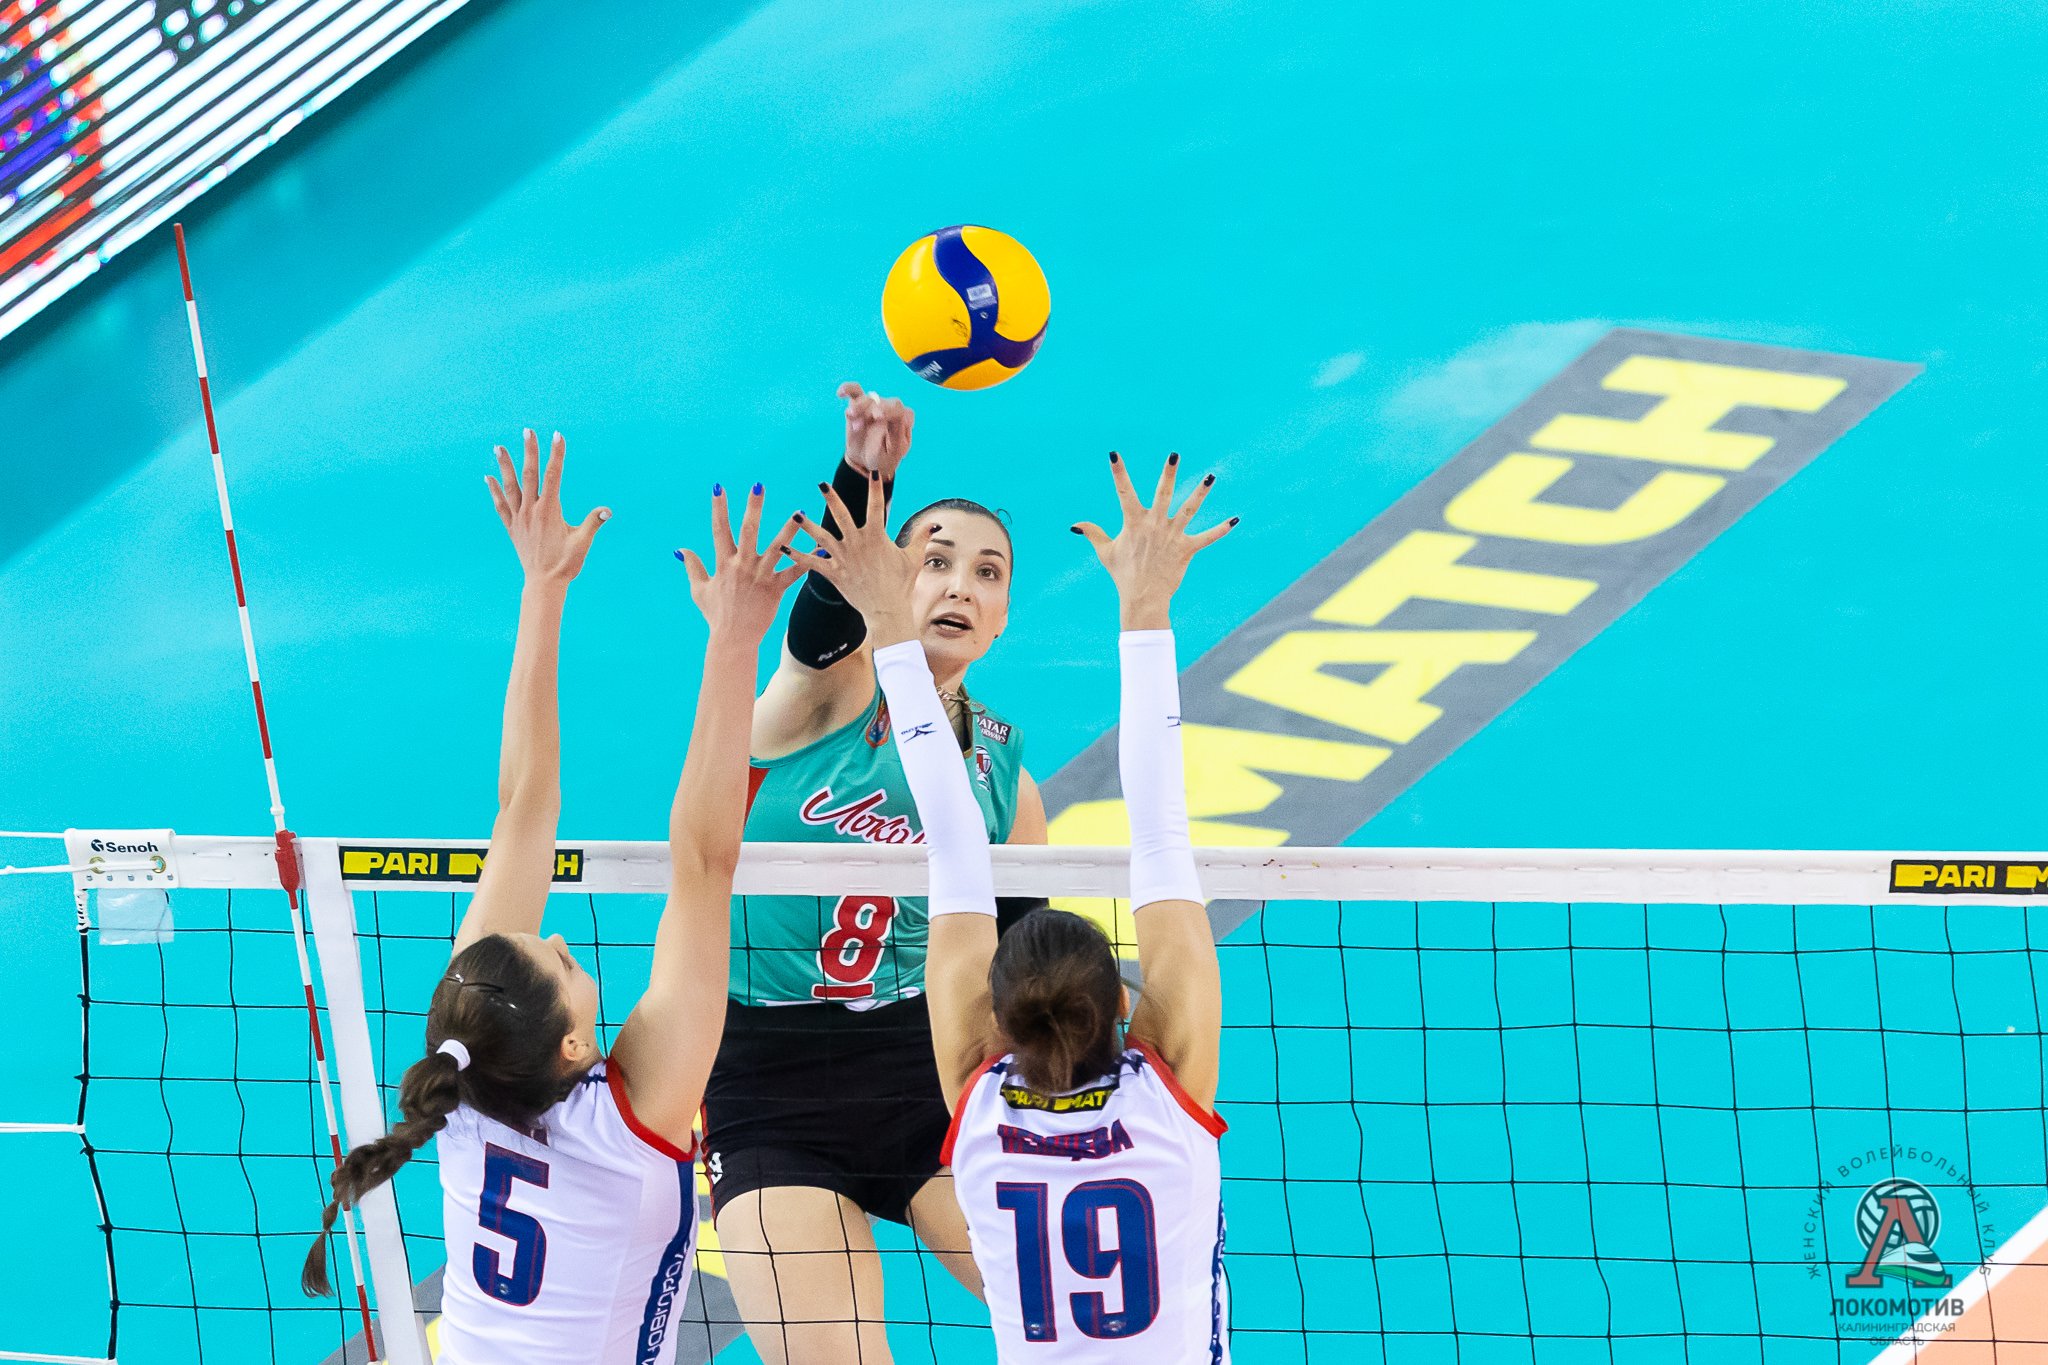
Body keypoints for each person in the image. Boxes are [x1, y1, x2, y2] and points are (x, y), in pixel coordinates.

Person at [301, 432, 803, 1365]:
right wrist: (732, 640)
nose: (562, 937)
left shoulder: (472, 1081)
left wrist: (546, 587)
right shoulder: (555, 1099)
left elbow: (536, 810)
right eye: (565, 959)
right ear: (572, 1046)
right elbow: (693, 856)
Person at [792, 449, 1236, 1361]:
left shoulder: (982, 1114)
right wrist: (1145, 604)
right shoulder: (1154, 1104)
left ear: (997, 1016)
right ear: (1125, 1007)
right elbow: (1152, 831)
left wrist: (888, 622)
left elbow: (955, 842)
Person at [705, 383, 1048, 1365]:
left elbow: (1030, 979)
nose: (959, 586)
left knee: (1078, 1312)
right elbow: (818, 625)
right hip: (767, 1082)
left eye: (986, 572)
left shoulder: (1007, 778)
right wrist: (866, 478)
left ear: (1002, 615)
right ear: (886, 576)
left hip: (928, 1067)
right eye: (933, 560)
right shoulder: (822, 695)